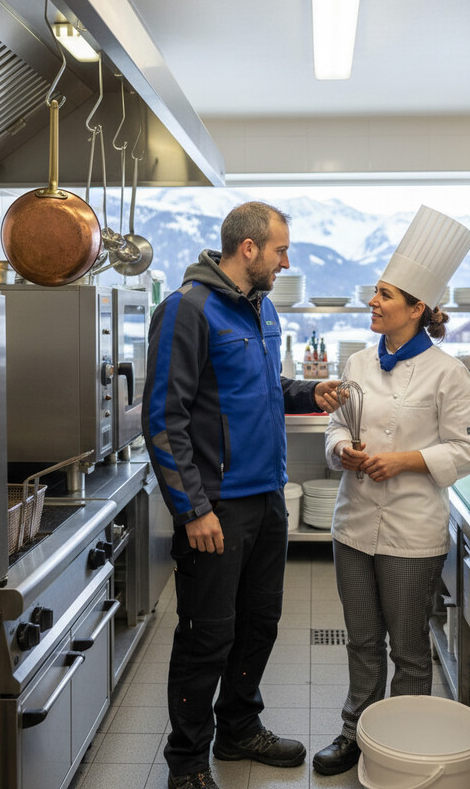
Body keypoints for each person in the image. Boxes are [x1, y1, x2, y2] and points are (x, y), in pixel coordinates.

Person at [142, 201, 341, 789]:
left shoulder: (262, 308)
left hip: (267, 501)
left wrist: (310, 392)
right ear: (248, 249)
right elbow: (163, 418)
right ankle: (185, 762)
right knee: (207, 635)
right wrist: (193, 509)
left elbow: (263, 388)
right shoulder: (187, 309)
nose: (286, 261)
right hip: (217, 507)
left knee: (259, 624)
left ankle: (238, 729)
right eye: (281, 250)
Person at [313, 205, 470, 776]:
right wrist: (344, 450)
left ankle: (408, 742)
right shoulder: (357, 361)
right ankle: (354, 732)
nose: (373, 302)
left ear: (417, 309)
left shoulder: (448, 372)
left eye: (385, 295)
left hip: (414, 533)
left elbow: (468, 450)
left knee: (409, 651)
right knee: (361, 642)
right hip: (354, 525)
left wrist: (405, 461)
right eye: (375, 293)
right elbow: (339, 426)